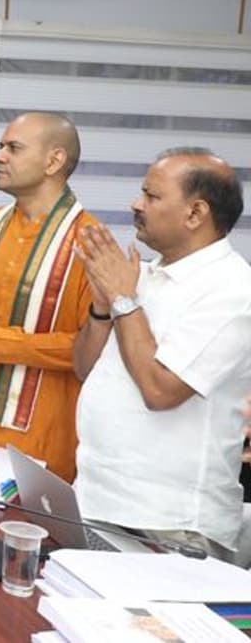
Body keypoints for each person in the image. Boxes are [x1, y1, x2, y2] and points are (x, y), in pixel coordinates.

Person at [73, 148, 251, 561]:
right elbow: (84, 368)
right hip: (98, 501)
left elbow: (161, 391)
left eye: (152, 196)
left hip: (169, 524)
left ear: (195, 213)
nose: (136, 204)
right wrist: (102, 306)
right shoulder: (144, 275)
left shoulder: (233, 290)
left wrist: (123, 300)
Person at [0, 113, 95, 481]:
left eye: (13, 148)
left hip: (39, 433)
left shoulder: (89, 241)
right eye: (0, 147)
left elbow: (88, 350)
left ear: (53, 161)